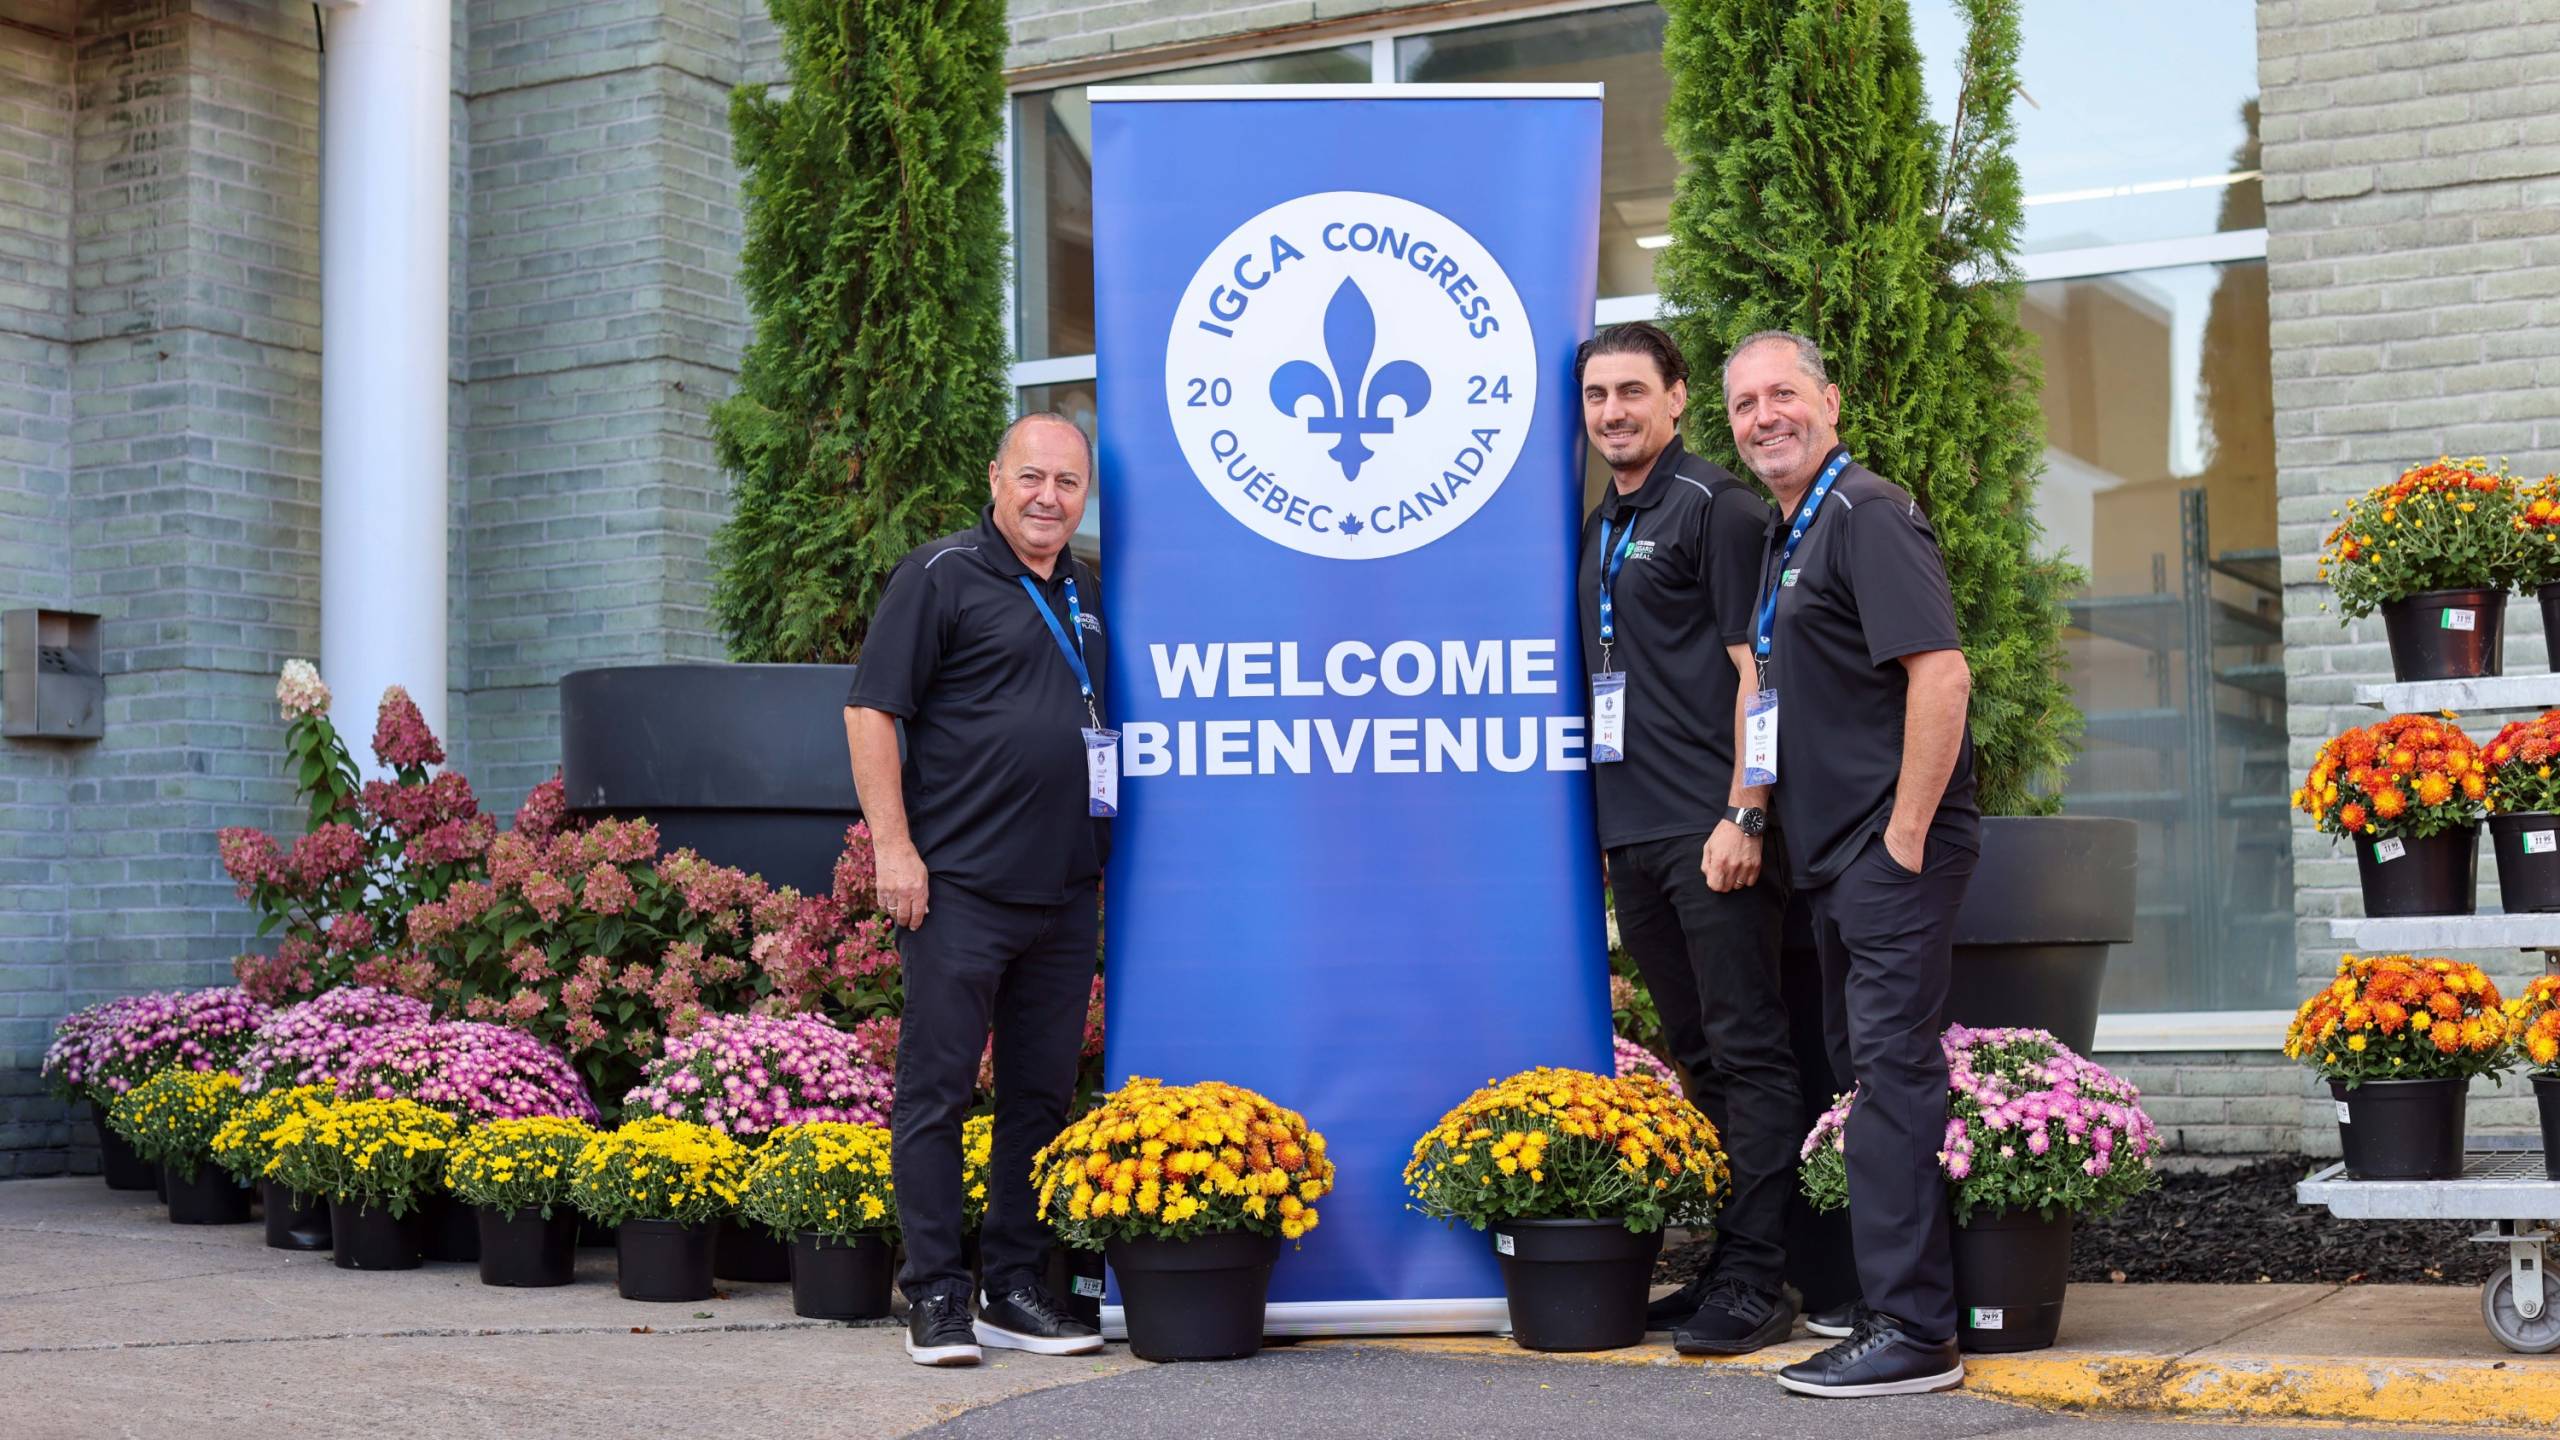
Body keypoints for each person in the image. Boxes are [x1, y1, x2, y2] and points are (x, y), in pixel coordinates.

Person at [1719, 331, 1979, 1398]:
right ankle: (1886, 1302)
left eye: (1783, 393)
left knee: (1890, 1080)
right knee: (1862, 1079)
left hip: (1883, 852)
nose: (1764, 414)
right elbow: (1769, 697)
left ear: (1829, 402)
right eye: (1743, 403)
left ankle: (1915, 1331)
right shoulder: (1790, 533)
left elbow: (1942, 675)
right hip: (1832, 859)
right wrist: (1749, 810)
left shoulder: (1865, 512)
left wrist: (1902, 838)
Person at [844, 413, 1111, 1368]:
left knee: (1040, 1097)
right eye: (1032, 476)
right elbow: (873, 710)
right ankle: (935, 1296)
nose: (1048, 497)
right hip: (958, 887)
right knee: (938, 1094)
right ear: (995, 476)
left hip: (1065, 889)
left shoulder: (1088, 587)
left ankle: (1013, 1287)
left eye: (1068, 483)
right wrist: (894, 849)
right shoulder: (939, 576)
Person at [1572, 322, 1798, 1355]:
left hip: (1710, 832)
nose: (1611, 411)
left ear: (1674, 401)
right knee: (1702, 1054)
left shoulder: (1719, 507)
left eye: (1630, 390)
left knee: (1749, 1052)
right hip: (1635, 836)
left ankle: (1763, 1279)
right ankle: (1726, 1264)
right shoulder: (1600, 523)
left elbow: (1762, 676)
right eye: (1594, 396)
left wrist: (1744, 809)